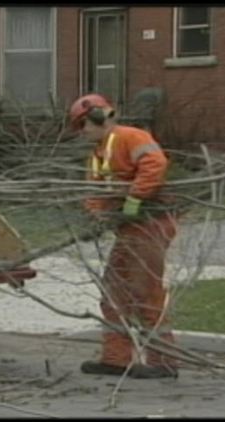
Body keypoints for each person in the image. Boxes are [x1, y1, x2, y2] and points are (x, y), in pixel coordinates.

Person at [69, 93, 179, 379]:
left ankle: (162, 361)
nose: (82, 132)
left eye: (82, 125)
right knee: (114, 291)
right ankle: (116, 359)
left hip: (150, 224)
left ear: (94, 118)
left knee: (145, 291)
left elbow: (155, 164)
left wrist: (135, 198)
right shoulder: (98, 154)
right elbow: (98, 192)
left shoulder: (131, 136)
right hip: (130, 228)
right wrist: (97, 218)